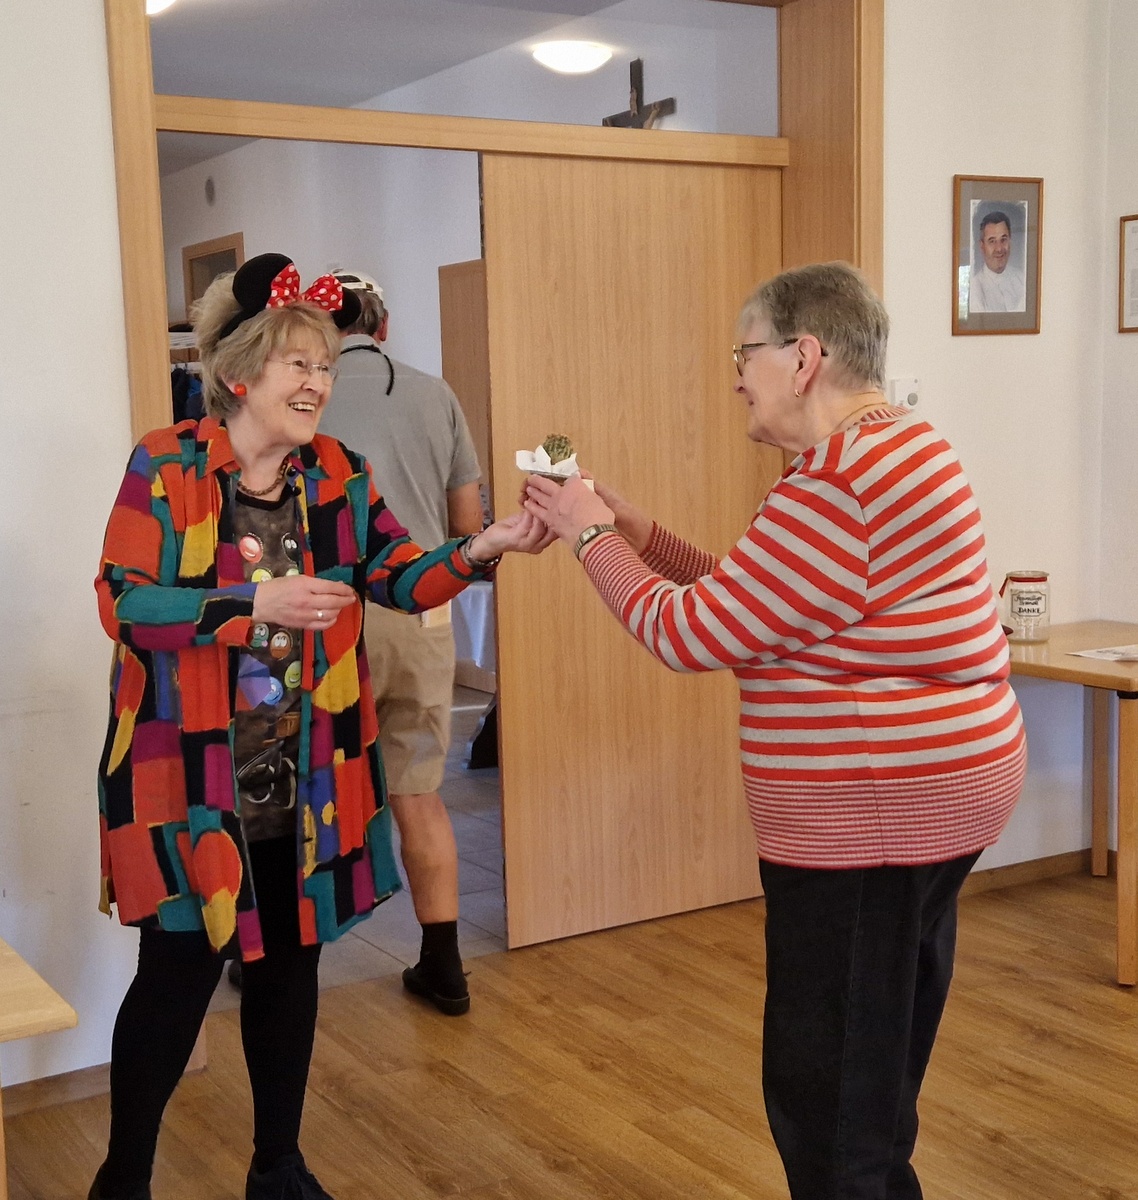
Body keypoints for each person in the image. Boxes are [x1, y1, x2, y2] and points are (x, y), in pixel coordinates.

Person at [523, 261, 1026, 1200]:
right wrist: (634, 529)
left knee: (828, 1104)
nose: (736, 378)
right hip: (937, 803)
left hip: (871, 822)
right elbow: (761, 604)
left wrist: (589, 537)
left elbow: (689, 632)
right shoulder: (900, 447)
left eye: (744, 353)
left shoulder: (837, 485)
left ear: (804, 358)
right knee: (876, 1074)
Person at [91, 252, 550, 1200]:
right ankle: (122, 1180)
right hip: (184, 777)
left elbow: (398, 577)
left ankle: (278, 1166)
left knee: (289, 969)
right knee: (175, 980)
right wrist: (251, 606)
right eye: (298, 364)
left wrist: (481, 548)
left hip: (305, 775)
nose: (317, 383)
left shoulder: (337, 473)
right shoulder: (166, 464)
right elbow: (124, 602)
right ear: (239, 373)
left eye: (326, 366)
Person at [319, 269, 481, 1016]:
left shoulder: (299, 394)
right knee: (418, 790)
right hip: (419, 609)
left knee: (300, 791)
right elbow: (466, 528)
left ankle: (271, 962)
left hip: (322, 616)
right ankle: (444, 965)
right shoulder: (434, 393)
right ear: (381, 326)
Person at [968, 209, 1026, 312]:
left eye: (1003, 240)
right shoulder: (974, 289)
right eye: (992, 241)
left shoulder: (1023, 280)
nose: (999, 248)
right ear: (982, 246)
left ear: (1010, 241)